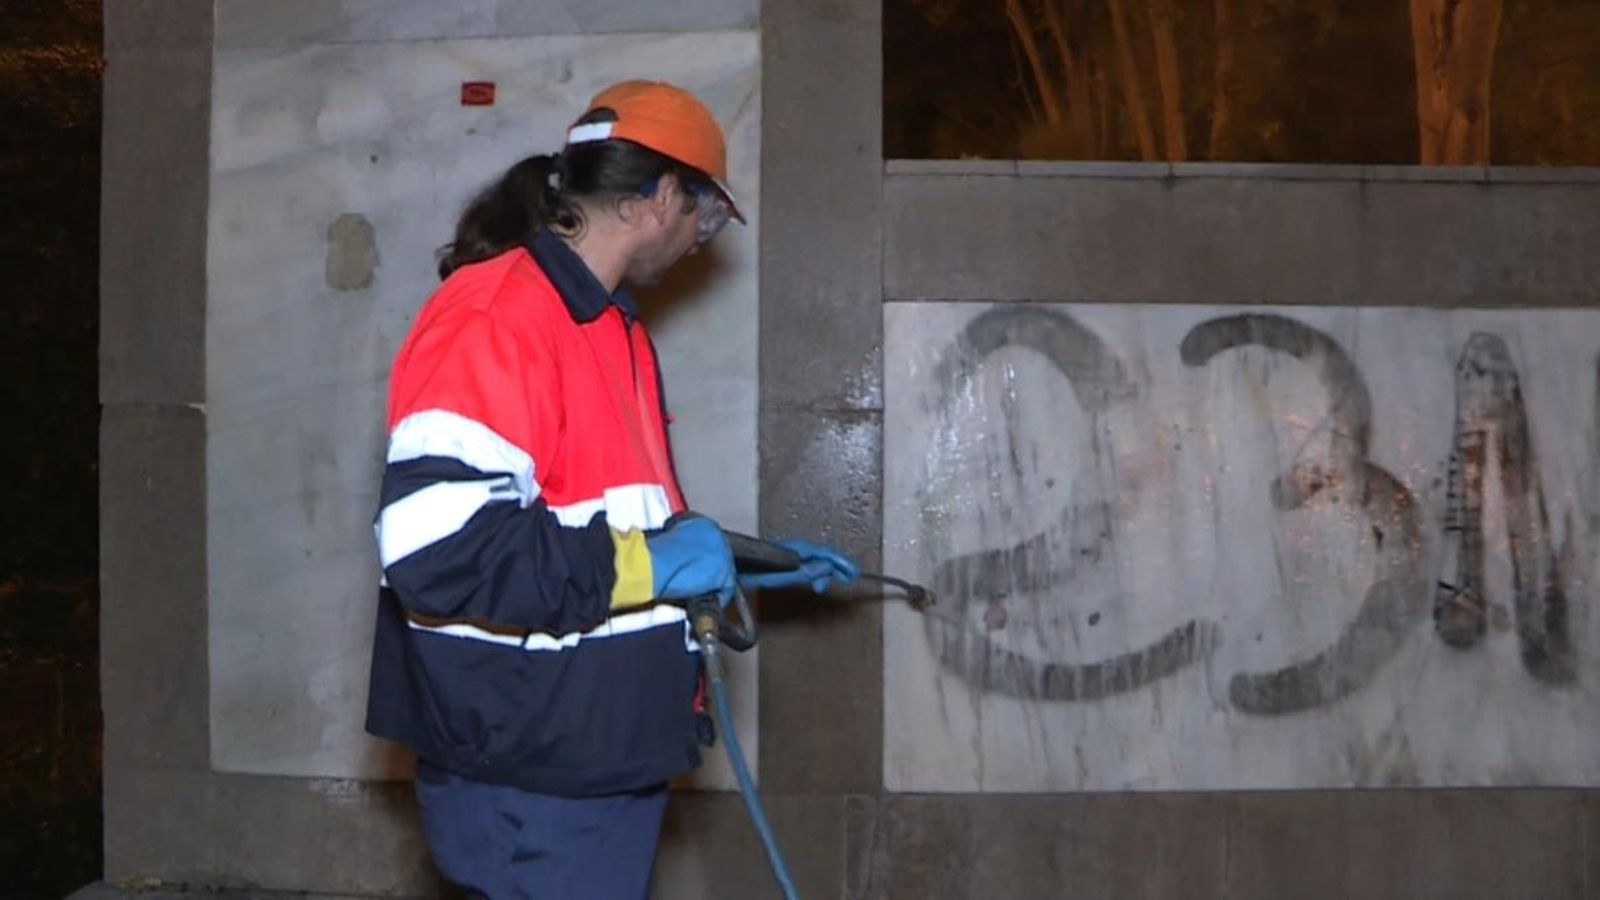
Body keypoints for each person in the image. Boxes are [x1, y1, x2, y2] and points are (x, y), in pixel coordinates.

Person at [364, 80, 860, 898]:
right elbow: (441, 554)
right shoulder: (496, 318)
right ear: (662, 195)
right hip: (530, 766)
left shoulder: (605, 326)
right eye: (707, 214)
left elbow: (596, 516)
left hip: (591, 747)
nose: (705, 240)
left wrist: (736, 555)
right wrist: (656, 567)